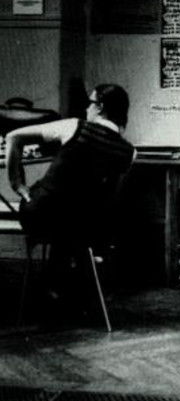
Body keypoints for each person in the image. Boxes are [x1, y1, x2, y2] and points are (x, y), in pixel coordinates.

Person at [5, 83, 135, 304]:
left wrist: (17, 183)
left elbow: (13, 137)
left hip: (40, 215)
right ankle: (58, 286)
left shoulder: (75, 126)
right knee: (72, 219)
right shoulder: (129, 152)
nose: (86, 108)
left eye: (90, 103)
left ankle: (51, 287)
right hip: (82, 227)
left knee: (60, 213)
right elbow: (108, 198)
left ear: (100, 107)